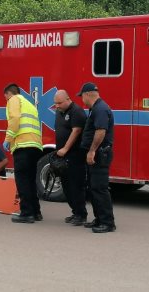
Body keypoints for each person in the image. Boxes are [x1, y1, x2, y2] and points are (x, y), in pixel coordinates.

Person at [77, 82, 116, 233]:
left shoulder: (100, 109)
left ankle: (107, 222)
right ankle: (99, 218)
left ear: (87, 94)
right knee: (93, 188)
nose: (82, 100)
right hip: (97, 154)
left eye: (82, 97)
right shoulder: (96, 108)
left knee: (99, 188)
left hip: (100, 154)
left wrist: (92, 151)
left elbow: (100, 131)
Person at [3, 83, 43, 223]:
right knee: (31, 180)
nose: (6, 100)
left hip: (22, 144)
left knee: (22, 180)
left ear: (9, 94)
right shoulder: (30, 104)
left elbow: (14, 118)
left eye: (5, 97)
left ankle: (26, 213)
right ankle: (36, 212)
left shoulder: (13, 100)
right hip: (35, 145)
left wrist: (8, 138)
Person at [54, 89, 88, 226]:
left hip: (75, 155)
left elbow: (76, 131)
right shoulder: (59, 112)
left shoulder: (76, 111)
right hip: (62, 155)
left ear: (68, 99)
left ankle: (81, 214)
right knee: (66, 185)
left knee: (76, 185)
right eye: (55, 103)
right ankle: (75, 211)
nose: (57, 106)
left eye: (59, 103)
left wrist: (66, 148)